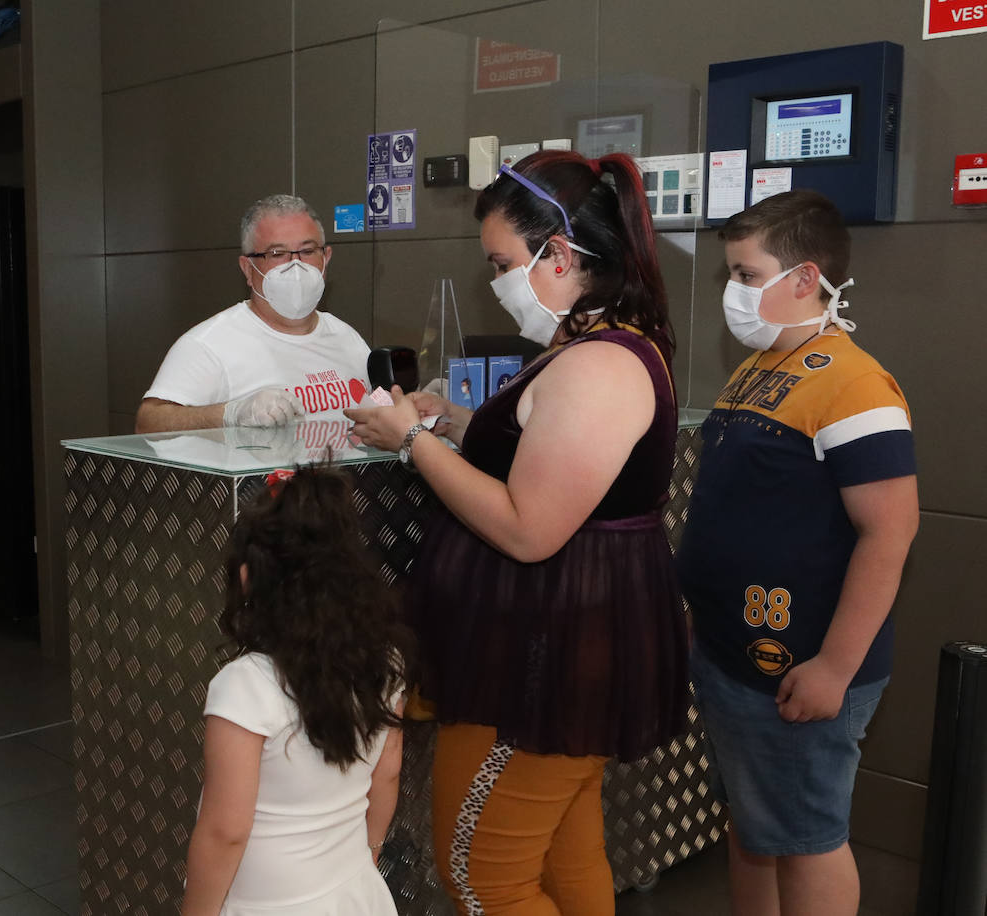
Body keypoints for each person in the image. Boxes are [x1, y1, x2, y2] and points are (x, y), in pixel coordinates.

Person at [346, 150, 688, 915]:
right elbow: (549, 456)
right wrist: (460, 422)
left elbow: (532, 528)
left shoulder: (599, 365)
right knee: (568, 857)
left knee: (480, 874)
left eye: (502, 263)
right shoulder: (595, 346)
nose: (497, 281)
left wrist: (412, 442)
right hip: (560, 640)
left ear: (560, 253)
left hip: (547, 654)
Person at [675, 190, 918, 916]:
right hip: (733, 657)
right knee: (754, 830)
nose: (734, 292)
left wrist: (836, 668)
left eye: (747, 275)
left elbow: (890, 532)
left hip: (801, 669)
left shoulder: (854, 385)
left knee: (806, 839)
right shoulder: (761, 365)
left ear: (805, 278)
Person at [180, 464, 414, 916]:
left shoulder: (244, 687)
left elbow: (225, 830)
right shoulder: (385, 660)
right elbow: (387, 772)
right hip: (351, 889)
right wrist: (367, 855)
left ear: (248, 577)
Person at [136, 194, 372, 433]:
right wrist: (231, 414)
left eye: (308, 251)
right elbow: (148, 424)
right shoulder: (208, 345)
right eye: (277, 254)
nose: (296, 265)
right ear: (248, 269)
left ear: (326, 258)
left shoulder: (347, 338)